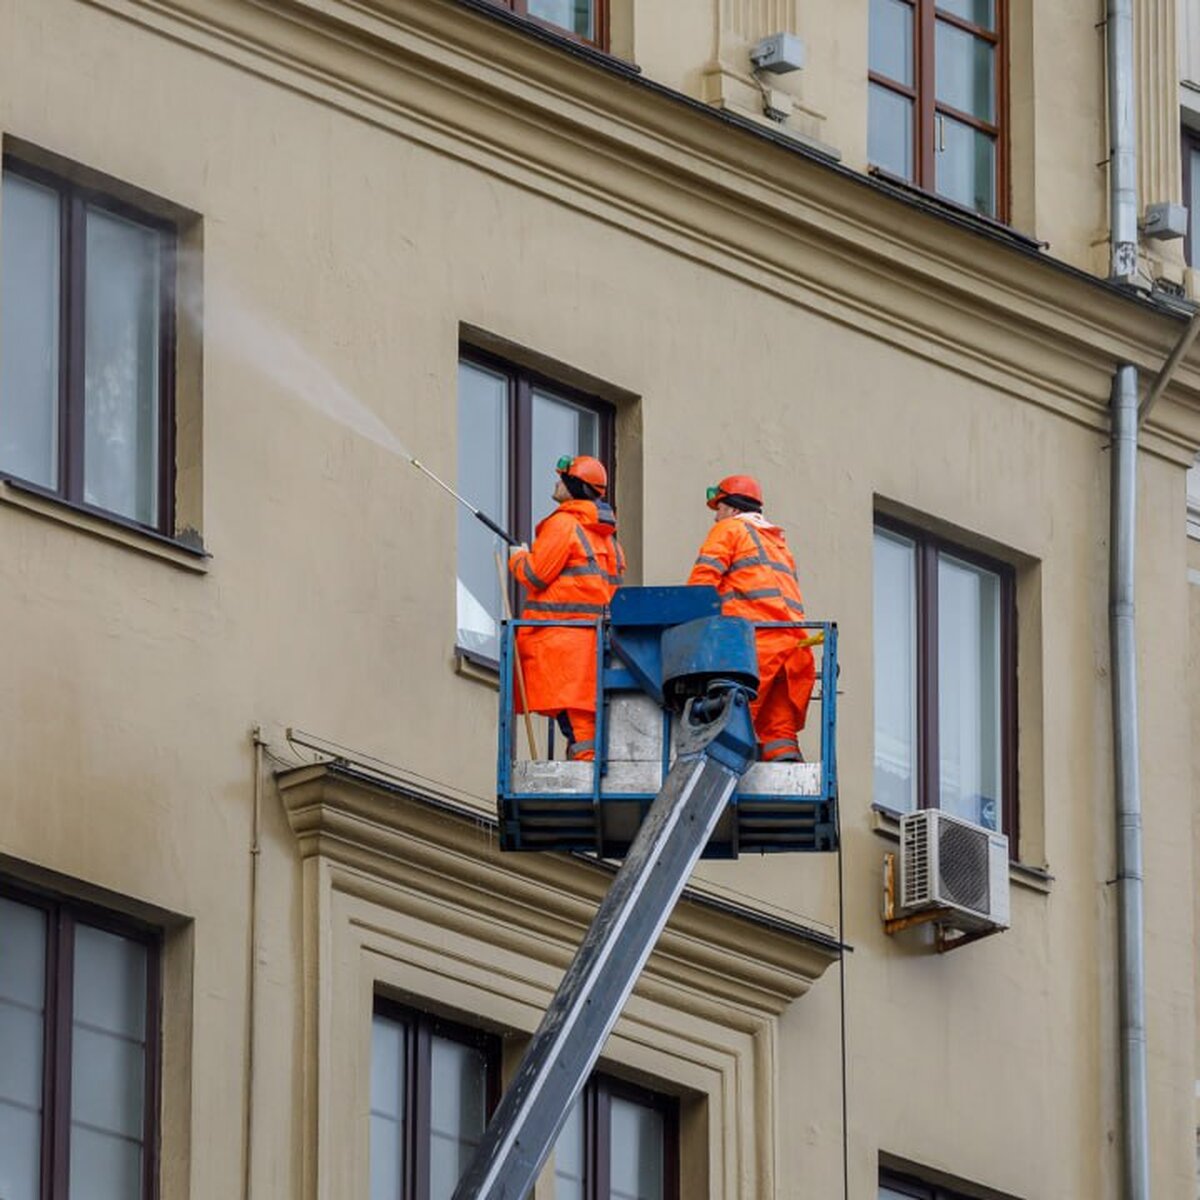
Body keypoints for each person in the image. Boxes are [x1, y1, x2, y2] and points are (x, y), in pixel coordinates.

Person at [686, 474, 815, 762]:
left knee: (730, 728)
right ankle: (786, 774)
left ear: (731, 508)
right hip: (792, 648)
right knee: (778, 730)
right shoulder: (777, 543)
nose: (716, 517)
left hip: (754, 647)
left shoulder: (730, 529)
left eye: (718, 508)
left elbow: (701, 585)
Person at [508, 455, 625, 761]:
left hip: (560, 642)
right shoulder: (608, 540)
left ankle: (584, 771)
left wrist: (518, 556)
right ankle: (585, 768)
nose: (557, 482)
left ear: (574, 486)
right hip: (592, 643)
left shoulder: (564, 524)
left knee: (576, 720)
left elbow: (535, 574)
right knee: (582, 715)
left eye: (562, 478)